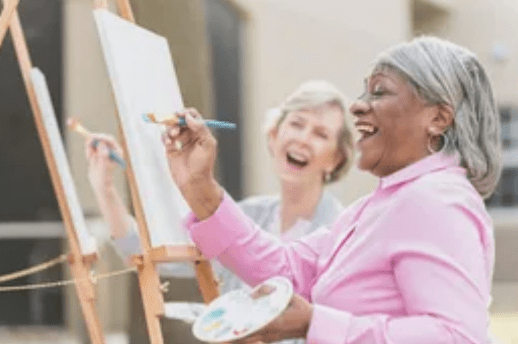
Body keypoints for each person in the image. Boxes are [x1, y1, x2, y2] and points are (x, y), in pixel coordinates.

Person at [162, 36, 502, 344]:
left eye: (380, 92)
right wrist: (199, 187)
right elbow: (288, 270)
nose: (357, 105)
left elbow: (457, 337)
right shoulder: (376, 207)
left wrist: (314, 324)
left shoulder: (434, 200)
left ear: (438, 119)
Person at [85, 81, 355, 343]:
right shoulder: (243, 217)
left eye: (320, 134)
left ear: (336, 159)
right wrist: (106, 189)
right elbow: (149, 253)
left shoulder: (341, 234)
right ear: (274, 135)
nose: (303, 139)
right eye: (296, 124)